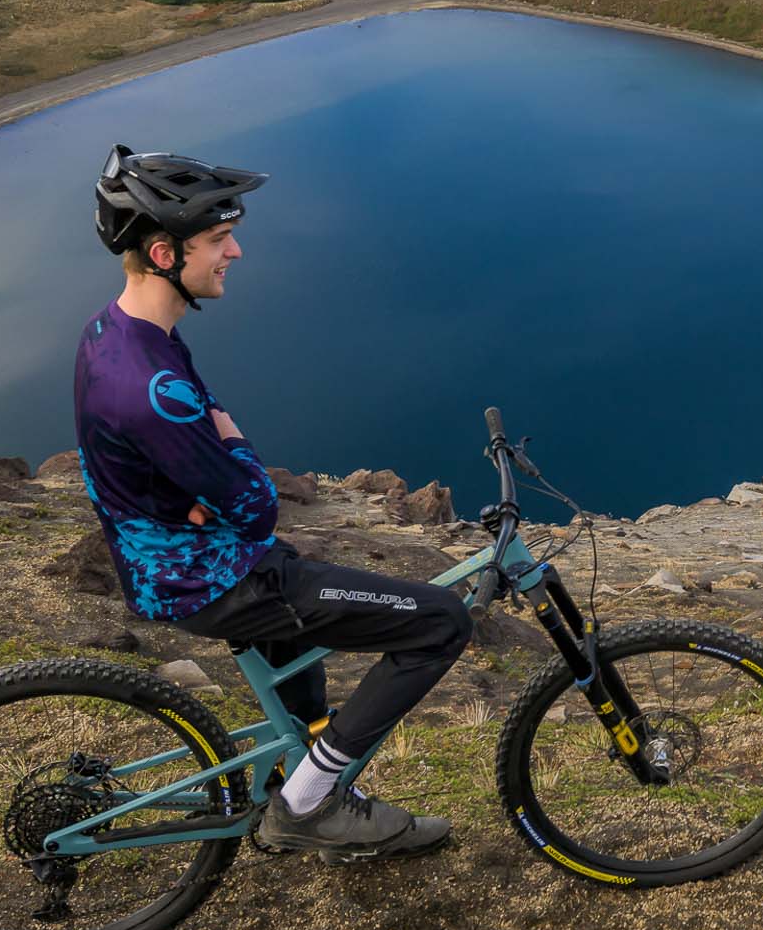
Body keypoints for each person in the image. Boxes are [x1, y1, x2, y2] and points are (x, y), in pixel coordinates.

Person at [76, 145, 471, 863]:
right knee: (442, 620)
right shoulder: (154, 387)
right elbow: (256, 506)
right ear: (164, 252)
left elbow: (198, 452)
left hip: (173, 556)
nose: (236, 249)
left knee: (303, 652)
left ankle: (301, 770)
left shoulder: (117, 332)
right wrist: (231, 454)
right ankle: (309, 806)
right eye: (218, 239)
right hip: (215, 577)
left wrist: (211, 467)